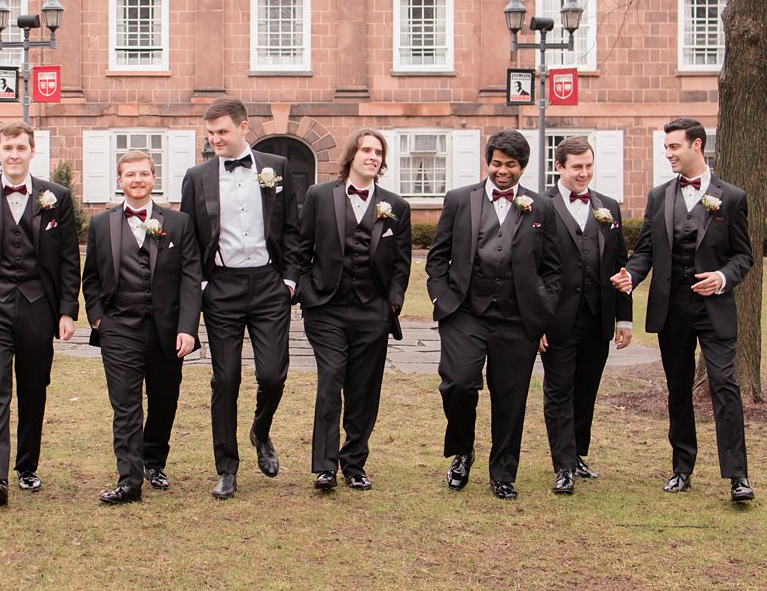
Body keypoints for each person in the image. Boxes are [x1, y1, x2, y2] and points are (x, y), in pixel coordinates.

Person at [613, 118, 756, 502]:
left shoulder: (732, 197)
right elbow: (645, 250)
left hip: (715, 310)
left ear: (697, 144)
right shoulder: (659, 196)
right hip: (671, 309)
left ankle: (737, 476)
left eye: (674, 146)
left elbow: (744, 256)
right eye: (666, 147)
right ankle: (681, 467)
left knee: (725, 386)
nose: (668, 154)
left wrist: (723, 278)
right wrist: (631, 275)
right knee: (678, 389)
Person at [425, 129, 561, 500]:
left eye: (511, 165)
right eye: (497, 164)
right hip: (464, 312)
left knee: (510, 396)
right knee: (458, 382)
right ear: (488, 162)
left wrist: (543, 308)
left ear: (523, 167)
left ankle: (503, 473)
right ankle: (462, 450)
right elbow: (437, 258)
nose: (503, 171)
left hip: (518, 319)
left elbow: (553, 268)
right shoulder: (459, 200)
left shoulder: (542, 207)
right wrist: (441, 298)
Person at [178, 97, 302, 499]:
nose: (215, 139)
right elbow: (190, 238)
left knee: (272, 375)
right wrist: (200, 287)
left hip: (268, 286)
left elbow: (292, 230)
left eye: (222, 132)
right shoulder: (196, 177)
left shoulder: (276, 168)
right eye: (210, 133)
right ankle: (226, 468)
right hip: (222, 288)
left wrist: (288, 280)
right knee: (225, 378)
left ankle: (260, 432)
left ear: (243, 128)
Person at [0, 122, 80, 506]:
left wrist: (67, 310)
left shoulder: (56, 196)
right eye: (7, 147)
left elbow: (69, 259)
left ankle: (26, 467)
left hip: (39, 306)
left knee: (33, 388)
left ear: (32, 151)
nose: (13, 154)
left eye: (21, 147)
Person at [81, 150, 201, 503]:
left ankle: (154, 461)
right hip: (118, 326)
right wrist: (98, 317)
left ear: (154, 178)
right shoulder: (101, 224)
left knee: (164, 399)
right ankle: (129, 480)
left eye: (143, 174)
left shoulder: (178, 223)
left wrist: (188, 327)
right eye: (129, 174)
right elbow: (91, 279)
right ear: (120, 181)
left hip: (166, 328)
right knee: (126, 405)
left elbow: (191, 277)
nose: (137, 179)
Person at [295, 128, 411, 492]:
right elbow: (300, 248)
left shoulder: (396, 206)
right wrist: (304, 290)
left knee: (364, 389)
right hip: (326, 307)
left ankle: (354, 462)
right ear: (351, 156)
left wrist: (392, 301)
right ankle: (325, 466)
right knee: (331, 380)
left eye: (378, 152)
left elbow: (402, 264)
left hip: (371, 310)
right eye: (365, 150)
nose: (372, 157)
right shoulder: (319, 196)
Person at [538, 136, 629, 495]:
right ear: (559, 167)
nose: (584, 173)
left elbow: (620, 267)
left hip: (598, 317)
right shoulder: (538, 205)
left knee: (586, 390)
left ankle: (577, 454)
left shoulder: (608, 207)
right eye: (577, 167)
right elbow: (528, 269)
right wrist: (535, 323)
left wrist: (623, 319)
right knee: (558, 391)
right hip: (556, 318)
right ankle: (562, 466)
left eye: (589, 166)